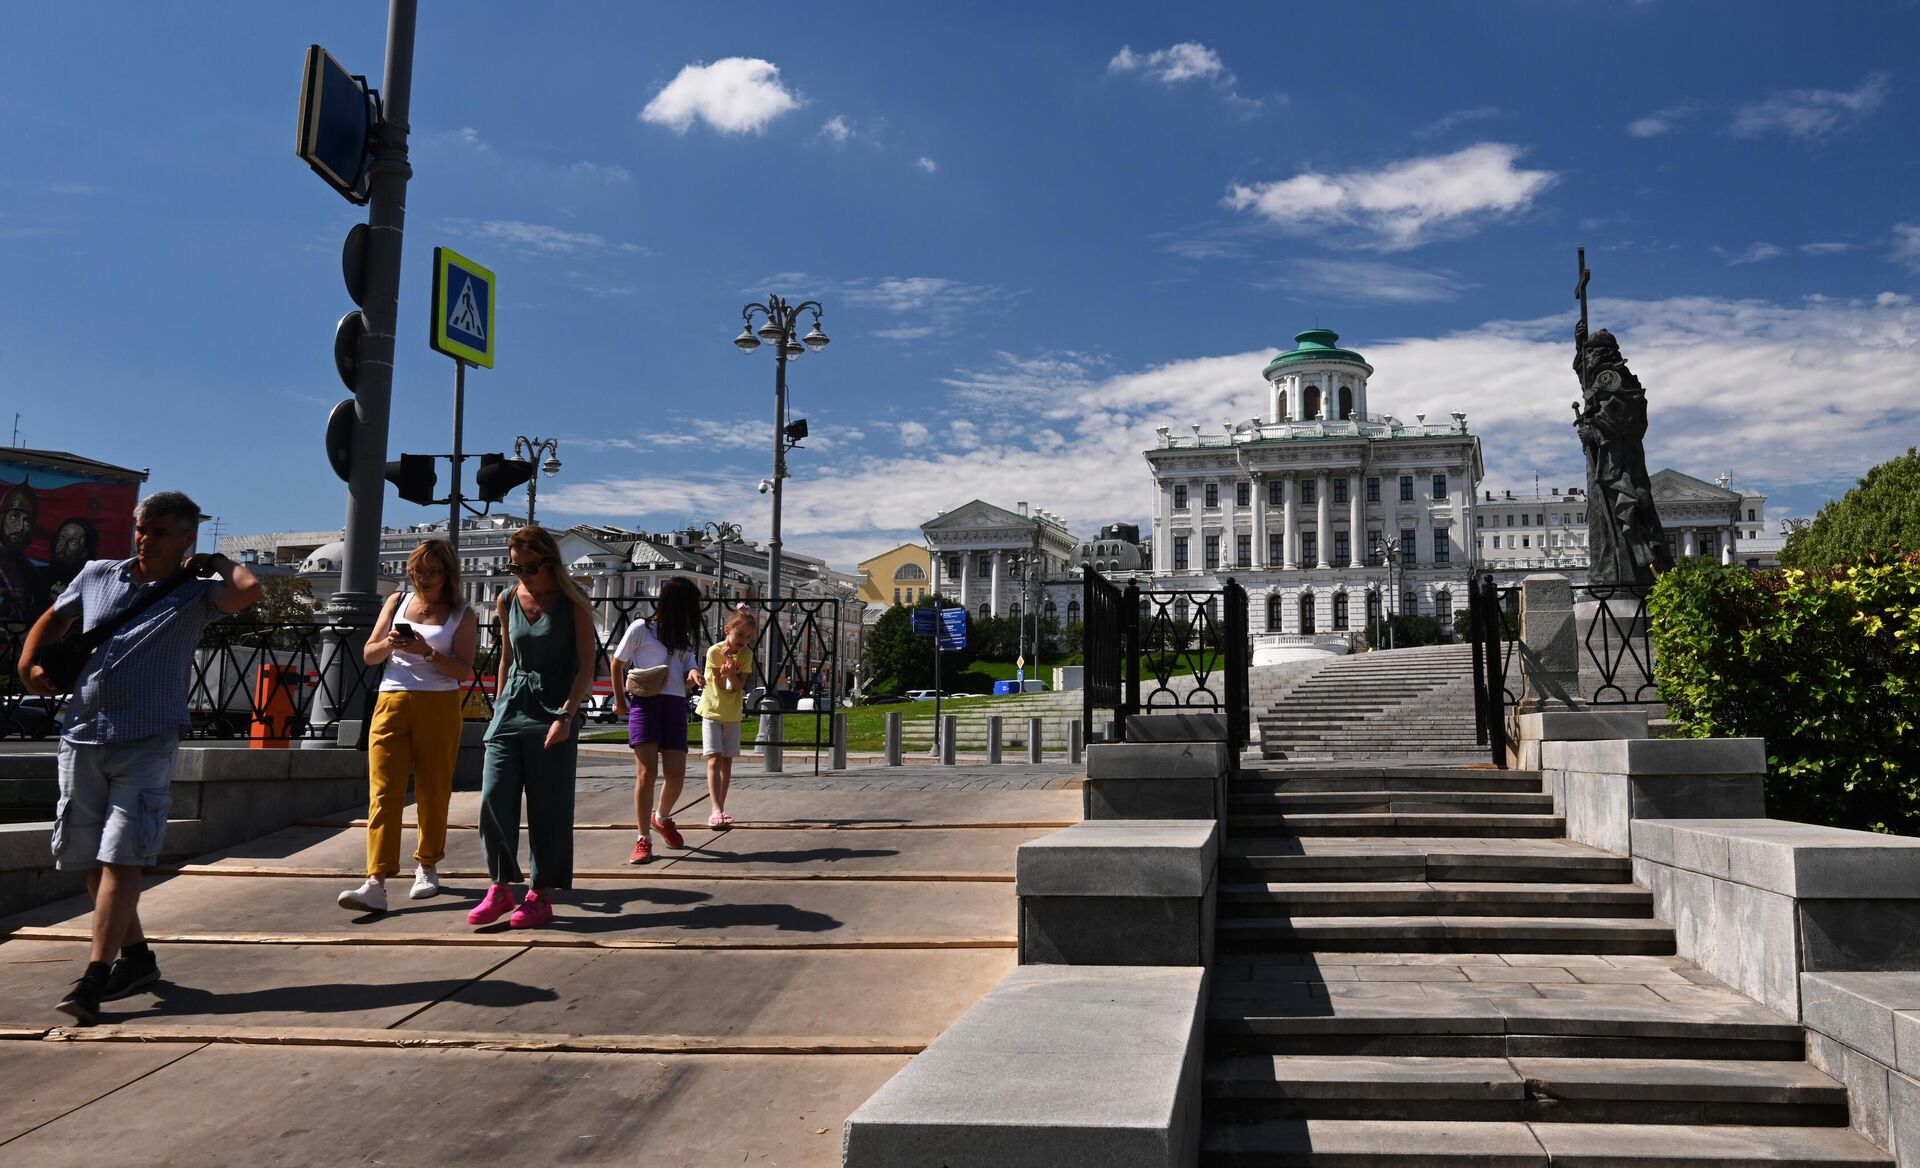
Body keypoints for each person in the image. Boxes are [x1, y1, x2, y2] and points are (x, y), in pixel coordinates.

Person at [16, 491, 261, 1023]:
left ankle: (93, 977)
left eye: (158, 530)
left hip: (147, 739)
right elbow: (53, 619)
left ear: (185, 538)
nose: (144, 537)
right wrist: (30, 664)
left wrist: (215, 562)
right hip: (81, 734)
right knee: (88, 856)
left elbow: (249, 590)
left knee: (122, 856)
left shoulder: (197, 593)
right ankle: (138, 958)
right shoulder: (100, 573)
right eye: (142, 527)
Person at [338, 539, 477, 913]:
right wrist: (390, 643)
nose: (425, 578)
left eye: (433, 571)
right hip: (391, 700)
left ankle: (427, 865)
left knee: (434, 789)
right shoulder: (397, 601)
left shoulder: (461, 613)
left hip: (439, 703)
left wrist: (427, 652)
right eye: (419, 571)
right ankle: (375, 881)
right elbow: (369, 655)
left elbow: (464, 670)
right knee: (384, 792)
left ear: (448, 573)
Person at [468, 527, 596, 930]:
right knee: (493, 796)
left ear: (549, 562)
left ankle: (540, 894)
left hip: (555, 707)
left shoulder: (573, 602)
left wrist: (566, 716)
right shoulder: (508, 599)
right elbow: (506, 656)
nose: (521, 573)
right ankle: (501, 886)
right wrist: (498, 705)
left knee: (549, 806)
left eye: (530, 566)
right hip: (512, 707)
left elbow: (586, 667)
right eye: (515, 566)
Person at [611, 576, 702, 863]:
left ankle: (661, 817)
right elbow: (618, 661)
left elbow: (689, 664)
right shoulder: (642, 628)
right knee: (646, 773)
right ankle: (643, 838)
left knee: (676, 775)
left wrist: (694, 674)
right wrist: (620, 700)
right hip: (645, 704)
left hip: (675, 705)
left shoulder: (683, 637)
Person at [696, 607, 757, 827]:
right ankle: (715, 809)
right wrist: (724, 674)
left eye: (748, 637)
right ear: (727, 630)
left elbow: (738, 686)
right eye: (740, 635)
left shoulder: (747, 654)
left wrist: (731, 673)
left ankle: (721, 807)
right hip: (712, 711)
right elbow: (719, 686)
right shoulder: (714, 651)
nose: (744, 641)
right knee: (714, 758)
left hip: (732, 714)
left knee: (727, 762)